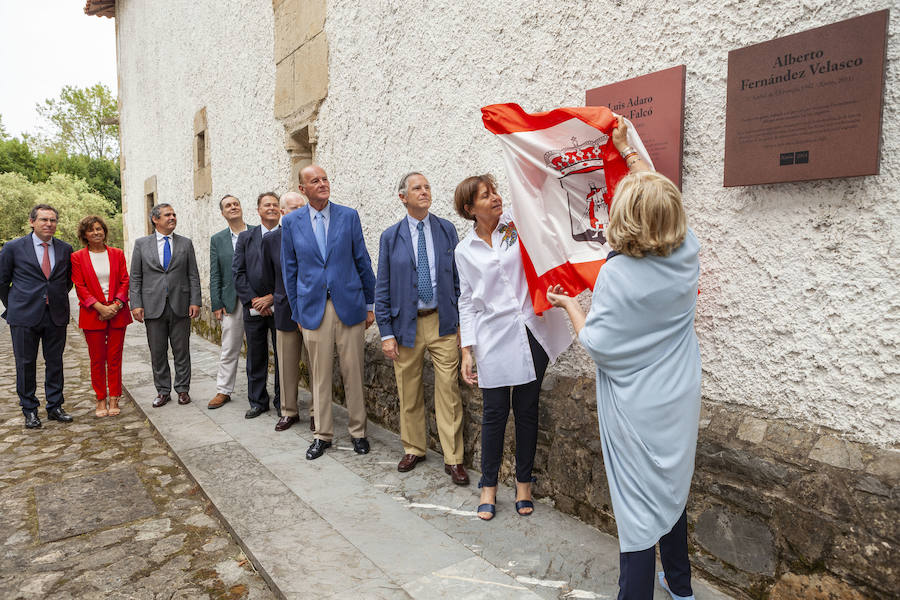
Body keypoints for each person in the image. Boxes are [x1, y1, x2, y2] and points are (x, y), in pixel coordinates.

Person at [546, 119, 700, 600]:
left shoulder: (616, 275)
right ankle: (681, 586)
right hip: (678, 393)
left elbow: (597, 345)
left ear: (626, 215)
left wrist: (571, 304)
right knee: (672, 488)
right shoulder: (688, 252)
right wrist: (628, 154)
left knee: (636, 508)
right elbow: (657, 199)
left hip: (635, 403)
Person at [453, 175, 572, 520]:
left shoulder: (517, 227)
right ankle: (488, 486)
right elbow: (466, 301)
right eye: (485, 196)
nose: (495, 198)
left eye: (495, 192)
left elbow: (544, 227)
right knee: (493, 413)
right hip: (493, 336)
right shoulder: (464, 251)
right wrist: (467, 350)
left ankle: (523, 483)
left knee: (527, 408)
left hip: (531, 330)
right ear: (469, 209)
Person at [375, 172, 468, 484]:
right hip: (406, 327)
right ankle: (414, 447)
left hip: (443, 322)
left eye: (427, 187)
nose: (425, 192)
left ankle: (454, 458)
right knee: (409, 390)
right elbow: (383, 288)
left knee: (449, 391)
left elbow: (458, 279)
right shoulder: (391, 237)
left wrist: (461, 326)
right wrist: (386, 333)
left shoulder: (446, 229)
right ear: (403, 197)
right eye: (417, 188)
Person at [282, 164, 376, 460]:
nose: (322, 184)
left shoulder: (348, 216)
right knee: (319, 375)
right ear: (303, 189)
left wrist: (370, 305)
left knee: (353, 372)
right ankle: (322, 435)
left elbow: (362, 260)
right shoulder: (292, 223)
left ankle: (358, 431)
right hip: (313, 309)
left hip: (349, 306)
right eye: (315, 181)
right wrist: (297, 312)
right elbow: (290, 270)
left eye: (325, 179)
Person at [0, 204, 74, 428]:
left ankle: (55, 406)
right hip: (23, 315)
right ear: (32, 221)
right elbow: (2, 281)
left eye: (52, 220)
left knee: (55, 362)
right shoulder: (13, 247)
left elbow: (67, 281)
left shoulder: (65, 249)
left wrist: (53, 298)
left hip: (55, 314)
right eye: (44, 220)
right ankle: (30, 410)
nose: (49, 224)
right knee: (25, 363)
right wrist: (14, 304)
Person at [130, 203, 201, 408]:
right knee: (158, 351)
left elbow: (193, 275)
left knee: (182, 350)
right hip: (153, 306)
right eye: (167, 215)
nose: (172, 218)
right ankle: (162, 391)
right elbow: (135, 276)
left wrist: (195, 300)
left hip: (180, 304)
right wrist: (136, 304)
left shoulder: (185, 244)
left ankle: (183, 390)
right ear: (155, 219)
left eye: (174, 214)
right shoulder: (142, 244)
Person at [71, 215, 133, 417]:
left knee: (115, 358)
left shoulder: (117, 254)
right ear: (84, 235)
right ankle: (100, 399)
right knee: (97, 359)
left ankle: (114, 397)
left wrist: (116, 305)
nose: (96, 232)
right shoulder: (78, 257)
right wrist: (100, 307)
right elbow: (79, 286)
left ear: (104, 231)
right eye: (91, 230)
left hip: (117, 313)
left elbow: (125, 280)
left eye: (99, 228)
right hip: (93, 314)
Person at [262, 191, 313, 432]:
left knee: (317, 365)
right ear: (283, 212)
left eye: (303, 207)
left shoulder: (314, 234)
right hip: (285, 309)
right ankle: (288, 411)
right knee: (287, 364)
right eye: (294, 208)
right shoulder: (272, 240)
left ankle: (317, 411)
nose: (301, 211)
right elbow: (269, 277)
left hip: (314, 310)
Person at [233, 192, 281, 419]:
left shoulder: (286, 236)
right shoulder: (246, 238)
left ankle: (284, 402)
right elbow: (239, 272)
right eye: (267, 205)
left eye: (275, 204)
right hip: (253, 307)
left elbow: (292, 272)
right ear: (259, 210)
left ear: (280, 210)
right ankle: (258, 401)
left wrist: (273, 297)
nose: (271, 208)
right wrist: (254, 300)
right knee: (255, 354)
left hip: (281, 304)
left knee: (283, 356)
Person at [208, 194, 248, 409]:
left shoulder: (256, 232)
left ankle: (259, 392)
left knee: (260, 347)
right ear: (223, 213)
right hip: (231, 301)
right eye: (228, 206)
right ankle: (223, 390)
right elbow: (216, 273)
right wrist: (216, 302)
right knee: (229, 347)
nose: (233, 207)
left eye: (236, 203)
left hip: (257, 299)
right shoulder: (218, 239)